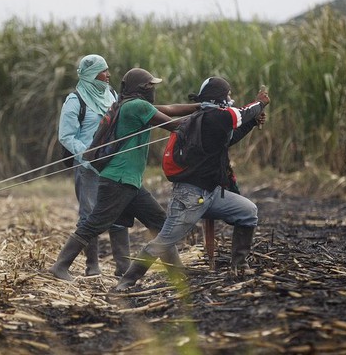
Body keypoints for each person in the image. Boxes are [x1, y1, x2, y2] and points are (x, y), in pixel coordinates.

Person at [115, 77, 270, 291]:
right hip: (189, 197)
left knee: (248, 212)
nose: (231, 98)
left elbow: (230, 138)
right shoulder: (216, 116)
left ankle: (239, 266)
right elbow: (241, 114)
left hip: (211, 194)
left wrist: (253, 122)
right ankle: (127, 280)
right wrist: (260, 103)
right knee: (164, 242)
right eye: (228, 94)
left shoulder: (210, 119)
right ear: (220, 98)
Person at [49, 67, 199, 281]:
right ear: (142, 89)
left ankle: (177, 272)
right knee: (94, 224)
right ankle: (60, 266)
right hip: (118, 180)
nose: (153, 90)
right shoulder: (137, 106)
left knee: (159, 222)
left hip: (130, 182)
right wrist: (208, 116)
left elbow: (169, 108)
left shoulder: (127, 104)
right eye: (151, 86)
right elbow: (174, 124)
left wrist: (199, 106)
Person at [58, 54, 131, 276]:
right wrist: (89, 157)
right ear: (91, 74)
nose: (108, 75)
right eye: (103, 71)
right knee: (89, 215)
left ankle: (123, 268)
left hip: (112, 166)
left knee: (118, 213)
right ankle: (92, 267)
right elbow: (66, 136)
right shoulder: (75, 100)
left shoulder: (111, 95)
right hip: (88, 169)